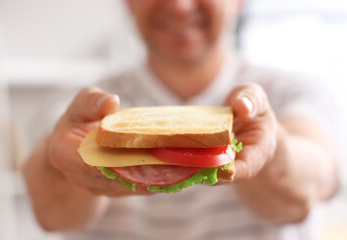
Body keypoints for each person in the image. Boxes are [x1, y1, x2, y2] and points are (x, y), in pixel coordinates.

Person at [23, 0, 339, 239]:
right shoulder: (78, 105)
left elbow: (311, 183)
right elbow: (53, 213)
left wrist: (273, 152)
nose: (179, 6)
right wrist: (61, 164)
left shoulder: (292, 91)